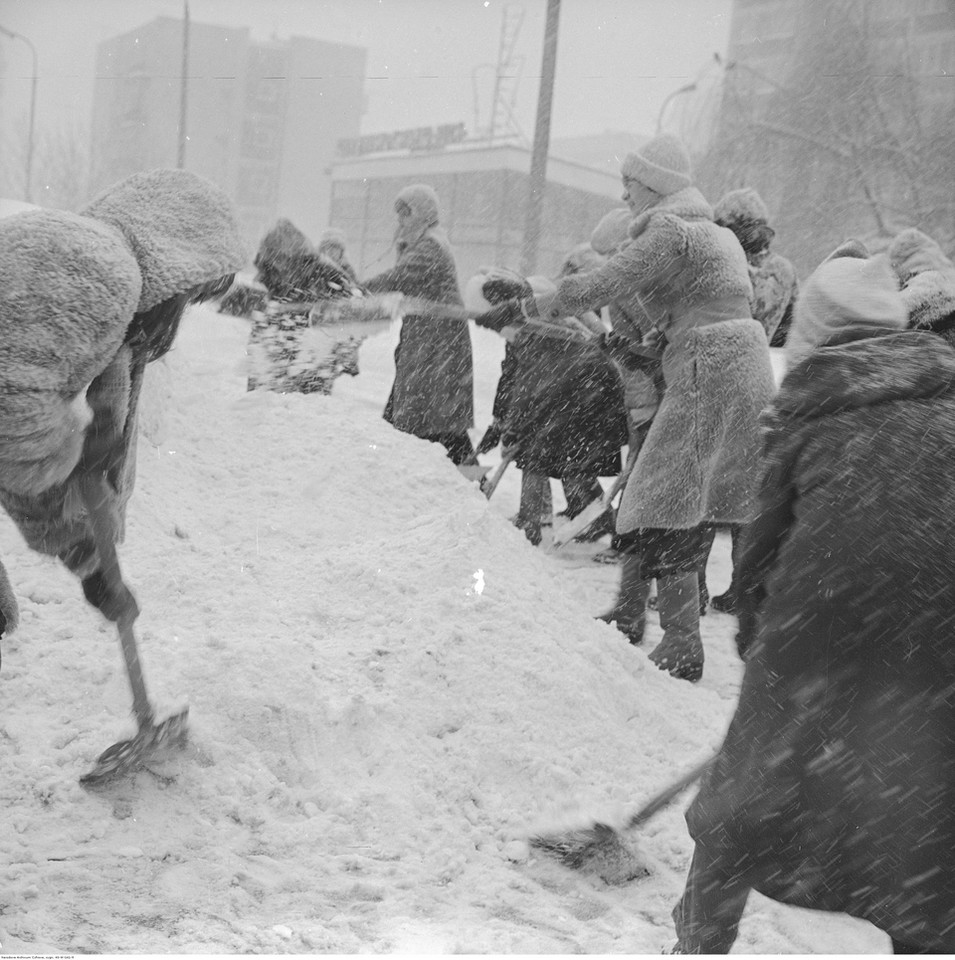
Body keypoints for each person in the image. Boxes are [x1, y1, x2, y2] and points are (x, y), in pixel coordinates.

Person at [671, 250, 955, 954]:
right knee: (919, 822)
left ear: (812, 336)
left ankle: (700, 940)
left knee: (740, 807)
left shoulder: (807, 418)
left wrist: (763, 667)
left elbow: (757, 562)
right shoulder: (948, 411)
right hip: (938, 645)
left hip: (815, 631)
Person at [540, 134, 776, 681]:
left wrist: (532, 299)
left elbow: (608, 280)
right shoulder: (717, 236)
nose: (624, 195)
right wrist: (638, 349)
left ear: (657, 185)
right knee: (688, 501)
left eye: (630, 183)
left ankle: (680, 642)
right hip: (742, 369)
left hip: (707, 369)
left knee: (661, 498)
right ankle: (671, 629)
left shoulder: (671, 230)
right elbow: (706, 313)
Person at [0, 168, 246, 679]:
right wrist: (86, 552)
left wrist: (89, 563)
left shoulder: (97, 276)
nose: (182, 307)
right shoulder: (98, 266)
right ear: (178, 251)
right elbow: (16, 426)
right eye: (191, 292)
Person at [476, 247, 627, 547]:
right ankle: (602, 520)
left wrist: (513, 426)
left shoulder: (536, 324)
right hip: (584, 390)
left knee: (539, 454)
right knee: (570, 462)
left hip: (586, 391)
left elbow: (526, 384)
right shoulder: (530, 312)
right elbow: (512, 376)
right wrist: (498, 421)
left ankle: (530, 525)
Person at [703, 187, 800, 614]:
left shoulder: (726, 265)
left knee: (704, 491)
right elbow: (786, 331)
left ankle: (694, 585)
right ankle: (742, 590)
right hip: (760, 383)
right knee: (746, 495)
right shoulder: (784, 270)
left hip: (717, 378)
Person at [363, 184, 477, 466]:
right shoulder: (425, 242)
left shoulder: (430, 247)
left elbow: (398, 278)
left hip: (437, 346)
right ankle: (468, 482)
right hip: (429, 343)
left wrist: (357, 291)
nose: (400, 221)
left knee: (434, 422)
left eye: (406, 214)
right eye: (398, 215)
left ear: (422, 214)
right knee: (432, 419)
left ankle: (471, 483)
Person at [247, 218, 359, 394]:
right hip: (274, 353)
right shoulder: (267, 272)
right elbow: (257, 313)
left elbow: (351, 312)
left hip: (312, 356)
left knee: (307, 408)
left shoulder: (324, 271)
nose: (278, 266)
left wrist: (344, 352)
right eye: (273, 258)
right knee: (265, 408)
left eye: (281, 258)